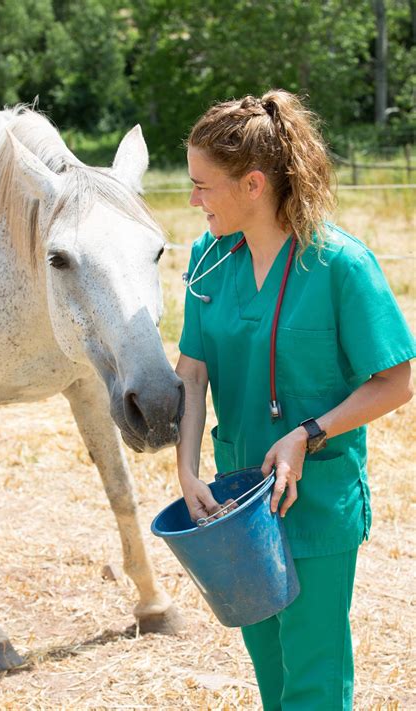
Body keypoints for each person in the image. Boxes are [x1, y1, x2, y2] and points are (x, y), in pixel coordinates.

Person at [175, 90, 415, 711]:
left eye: (203, 186)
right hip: (236, 501)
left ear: (253, 183)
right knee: (271, 673)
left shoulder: (340, 265)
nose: (193, 199)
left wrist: (310, 432)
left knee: (313, 675)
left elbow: (397, 381)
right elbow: (194, 373)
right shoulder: (208, 260)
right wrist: (186, 466)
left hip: (316, 501)